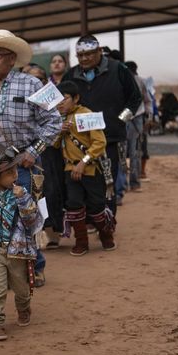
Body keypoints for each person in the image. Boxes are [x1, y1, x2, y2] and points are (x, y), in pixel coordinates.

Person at [0, 29, 62, 290]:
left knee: (24, 216)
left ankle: (34, 269)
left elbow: (54, 122)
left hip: (22, 162)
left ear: (12, 58)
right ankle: (0, 275)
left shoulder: (32, 84)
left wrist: (34, 151)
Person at [62, 35, 142, 213]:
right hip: (78, 142)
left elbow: (135, 98)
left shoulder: (118, 70)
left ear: (99, 52)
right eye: (80, 55)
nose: (84, 59)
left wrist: (120, 119)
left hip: (109, 139)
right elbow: (61, 103)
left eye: (89, 54)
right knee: (82, 182)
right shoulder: (71, 75)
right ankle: (91, 220)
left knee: (108, 181)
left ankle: (107, 222)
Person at [0, 144, 44, 341]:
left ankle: (24, 308)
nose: (15, 174)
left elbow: (33, 221)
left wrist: (23, 200)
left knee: (21, 289)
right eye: (9, 172)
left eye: (15, 170)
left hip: (17, 251)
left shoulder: (21, 194)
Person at [54, 81, 116, 255]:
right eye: (58, 100)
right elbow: (54, 144)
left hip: (89, 169)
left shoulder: (86, 114)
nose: (60, 103)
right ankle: (81, 242)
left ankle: (106, 235)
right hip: (69, 169)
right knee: (73, 204)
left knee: (96, 206)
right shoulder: (60, 119)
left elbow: (100, 142)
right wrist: (60, 131)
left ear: (76, 98)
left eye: (64, 99)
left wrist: (83, 163)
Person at [25, 65, 66, 249]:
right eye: (29, 77)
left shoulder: (53, 99)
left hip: (49, 152)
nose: (34, 81)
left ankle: (53, 232)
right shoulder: (17, 99)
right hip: (25, 154)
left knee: (51, 190)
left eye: (39, 78)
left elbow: (57, 123)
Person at [123, 61, 153, 193]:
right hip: (127, 118)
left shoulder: (139, 81)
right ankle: (125, 185)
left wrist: (149, 115)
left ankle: (133, 183)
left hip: (135, 118)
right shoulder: (121, 80)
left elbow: (147, 100)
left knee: (133, 152)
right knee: (125, 152)